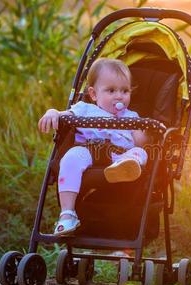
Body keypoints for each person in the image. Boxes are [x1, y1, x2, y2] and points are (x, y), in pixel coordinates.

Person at [38, 58, 149, 236]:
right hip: (88, 150)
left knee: (141, 152)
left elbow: (141, 141)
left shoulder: (131, 116)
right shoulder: (84, 109)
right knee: (70, 157)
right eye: (111, 90)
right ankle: (67, 213)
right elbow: (64, 115)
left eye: (125, 91)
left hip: (118, 154)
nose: (119, 96)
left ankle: (124, 167)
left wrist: (139, 128)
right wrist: (53, 113)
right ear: (94, 94)